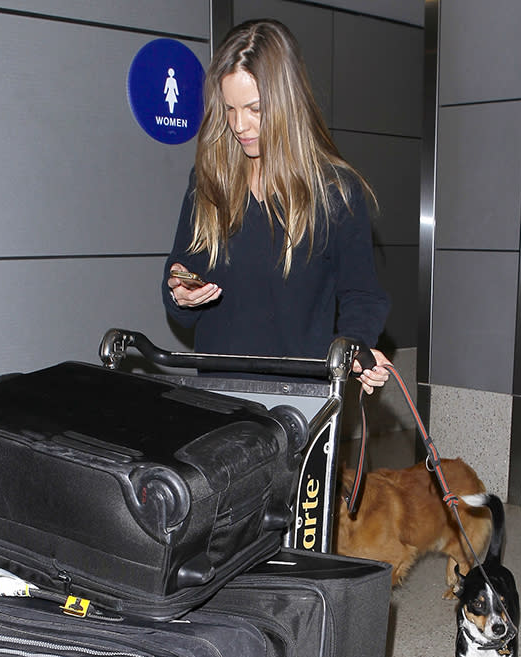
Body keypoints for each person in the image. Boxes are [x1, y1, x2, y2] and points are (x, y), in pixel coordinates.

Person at [162, 18, 391, 394]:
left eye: (254, 109)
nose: (239, 125)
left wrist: (354, 348)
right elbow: (180, 276)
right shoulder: (209, 181)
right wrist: (180, 294)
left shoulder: (334, 192)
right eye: (230, 109)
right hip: (218, 399)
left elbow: (361, 294)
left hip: (299, 404)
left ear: (285, 103)